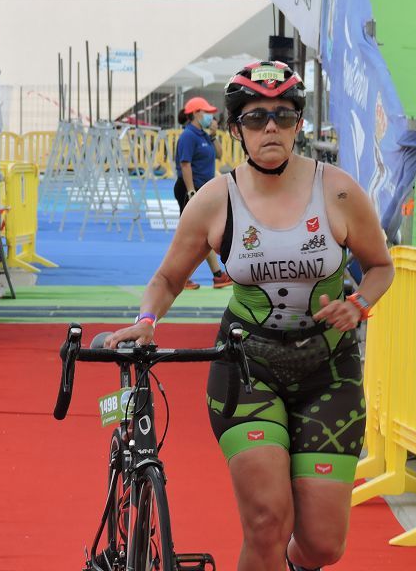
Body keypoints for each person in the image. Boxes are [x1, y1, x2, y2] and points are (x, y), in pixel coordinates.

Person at [108, 61, 394, 571]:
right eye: (257, 117)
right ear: (236, 127)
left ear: (298, 125)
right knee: (266, 521)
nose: (271, 128)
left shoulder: (339, 191)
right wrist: (146, 321)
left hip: (328, 370)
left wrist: (359, 304)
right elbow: (168, 279)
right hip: (246, 368)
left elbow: (380, 266)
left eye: (284, 117)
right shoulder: (214, 200)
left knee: (324, 545)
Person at [174, 96, 232, 290]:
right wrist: (191, 191)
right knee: (193, 236)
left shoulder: (203, 134)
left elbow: (219, 155)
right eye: (207, 112)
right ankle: (183, 277)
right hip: (190, 189)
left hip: (202, 189)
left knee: (202, 234)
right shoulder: (188, 136)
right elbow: (185, 164)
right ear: (196, 113)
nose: (211, 116)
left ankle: (216, 275)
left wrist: (214, 135)